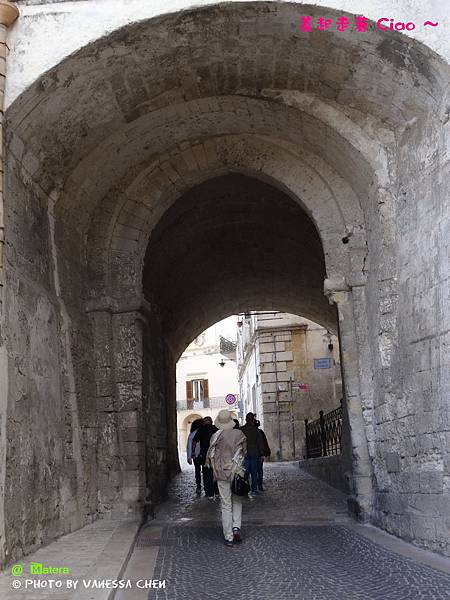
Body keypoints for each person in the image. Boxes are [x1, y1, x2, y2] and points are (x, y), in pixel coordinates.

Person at [207, 410, 247, 547]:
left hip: (222, 473)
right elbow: (244, 452)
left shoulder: (215, 436)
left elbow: (211, 456)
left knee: (225, 505)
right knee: (237, 501)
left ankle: (228, 536)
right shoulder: (239, 434)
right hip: (237, 472)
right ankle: (236, 528)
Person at [192, 416, 218, 499]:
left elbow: (194, 441)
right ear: (211, 421)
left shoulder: (201, 430)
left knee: (207, 474)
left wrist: (193, 452)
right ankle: (217, 492)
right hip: (215, 455)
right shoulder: (216, 429)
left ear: (204, 422)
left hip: (205, 455)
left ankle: (209, 493)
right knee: (216, 473)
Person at [240, 412, 264, 496]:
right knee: (254, 472)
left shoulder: (241, 430)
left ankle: (245, 489)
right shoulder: (256, 430)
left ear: (246, 420)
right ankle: (254, 490)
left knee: (244, 473)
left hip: (244, 454)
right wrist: (261, 454)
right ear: (253, 420)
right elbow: (260, 443)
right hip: (255, 453)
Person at [186, 418, 203, 494]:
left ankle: (198, 486)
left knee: (197, 471)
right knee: (206, 471)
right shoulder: (204, 432)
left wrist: (189, 457)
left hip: (195, 455)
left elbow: (189, 446)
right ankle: (207, 486)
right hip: (204, 454)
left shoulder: (192, 434)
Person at [255, 419, 271, 491]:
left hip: (254, 453)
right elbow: (264, 443)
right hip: (258, 454)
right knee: (259, 470)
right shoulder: (260, 432)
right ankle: (259, 485)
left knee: (254, 471)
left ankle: (254, 486)